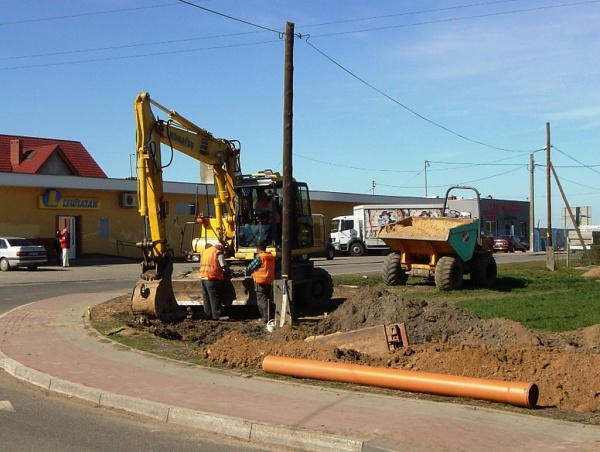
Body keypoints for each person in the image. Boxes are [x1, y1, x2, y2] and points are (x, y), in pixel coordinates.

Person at [199, 243, 231, 320]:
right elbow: (223, 265)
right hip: (212, 278)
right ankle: (217, 315)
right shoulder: (218, 252)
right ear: (220, 247)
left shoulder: (204, 251)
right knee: (214, 298)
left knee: (206, 298)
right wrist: (229, 271)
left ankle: (207, 314)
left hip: (203, 277)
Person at [246, 241, 275, 323]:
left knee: (261, 301)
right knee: (268, 300)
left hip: (260, 282)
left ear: (258, 249)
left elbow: (250, 267)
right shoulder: (271, 256)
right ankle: (270, 316)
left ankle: (265, 318)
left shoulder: (260, 257)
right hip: (268, 281)